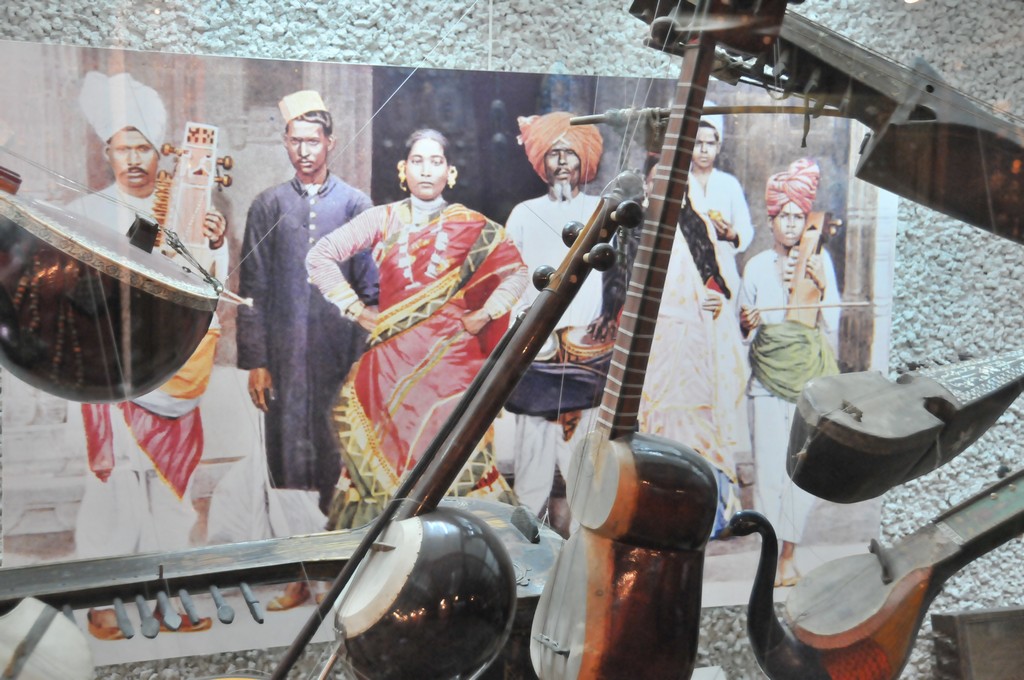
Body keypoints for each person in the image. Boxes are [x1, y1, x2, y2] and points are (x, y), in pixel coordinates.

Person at [68, 71, 226, 639]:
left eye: (143, 147)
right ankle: (103, 601)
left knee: (170, 491)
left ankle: (170, 596)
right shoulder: (85, 211)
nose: (134, 159)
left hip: (173, 372)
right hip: (111, 373)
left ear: (162, 152)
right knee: (112, 492)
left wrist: (212, 242)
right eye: (122, 148)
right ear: (106, 151)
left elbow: (212, 292)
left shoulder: (191, 207)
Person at [306, 128, 526, 530]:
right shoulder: (381, 218)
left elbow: (517, 274)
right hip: (387, 373)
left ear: (450, 172)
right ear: (402, 169)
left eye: (436, 162)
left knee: (455, 468)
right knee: (380, 473)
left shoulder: (472, 225)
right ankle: (377, 558)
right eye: (418, 161)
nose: (426, 171)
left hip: (452, 370)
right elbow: (319, 256)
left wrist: (485, 314)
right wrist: (356, 309)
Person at [236, 90, 379, 611]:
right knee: (289, 463)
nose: (304, 151)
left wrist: (365, 361)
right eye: (295, 141)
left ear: (330, 143)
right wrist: (257, 361)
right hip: (285, 364)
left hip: (341, 361)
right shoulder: (268, 205)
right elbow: (252, 289)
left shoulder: (356, 205)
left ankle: (338, 577)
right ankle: (299, 575)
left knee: (338, 462)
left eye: (313, 141)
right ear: (285, 143)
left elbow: (372, 291)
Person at [738, 158, 840, 587]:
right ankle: (770, 555)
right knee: (768, 472)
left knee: (801, 469)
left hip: (807, 383)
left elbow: (833, 325)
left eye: (799, 216)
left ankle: (791, 554)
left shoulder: (821, 262)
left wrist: (822, 287)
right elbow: (743, 333)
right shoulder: (756, 266)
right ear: (772, 221)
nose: (792, 224)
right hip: (766, 382)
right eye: (784, 216)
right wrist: (748, 323)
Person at [501, 111, 607, 520]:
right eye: (554, 153)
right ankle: (526, 545)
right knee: (532, 466)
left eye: (570, 153)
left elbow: (617, 280)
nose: (562, 162)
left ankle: (583, 545)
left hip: (586, 353)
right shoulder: (523, 213)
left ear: (585, 160)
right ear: (541, 160)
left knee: (584, 468)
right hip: (538, 350)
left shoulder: (601, 211)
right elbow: (510, 277)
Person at [638, 161, 747, 538]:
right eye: (657, 181)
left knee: (700, 422)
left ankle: (710, 518)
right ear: (646, 187)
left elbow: (713, 279)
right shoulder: (635, 228)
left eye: (673, 181)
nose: (665, 188)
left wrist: (716, 298)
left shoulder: (695, 224)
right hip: (655, 344)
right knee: (657, 423)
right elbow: (622, 289)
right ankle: (660, 518)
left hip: (697, 344)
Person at [687, 108, 754, 309]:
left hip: (725, 269)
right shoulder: (681, 182)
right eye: (697, 143)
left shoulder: (729, 184)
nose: (704, 150)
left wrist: (732, 235)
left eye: (710, 144)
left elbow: (745, 228)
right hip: (688, 270)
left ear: (718, 147)